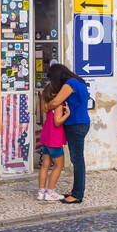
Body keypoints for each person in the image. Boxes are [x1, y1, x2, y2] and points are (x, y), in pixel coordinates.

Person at [43, 64, 90, 204]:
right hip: (79, 124)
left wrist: (47, 106)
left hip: (76, 125)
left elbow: (56, 102)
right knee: (77, 159)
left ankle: (77, 195)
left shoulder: (71, 83)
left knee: (77, 160)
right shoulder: (76, 82)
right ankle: (76, 190)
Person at [37, 82, 68, 201]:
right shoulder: (59, 105)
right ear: (55, 93)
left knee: (45, 166)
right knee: (59, 166)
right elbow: (57, 122)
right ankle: (50, 192)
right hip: (55, 140)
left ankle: (41, 192)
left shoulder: (48, 105)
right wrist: (67, 115)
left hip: (46, 138)